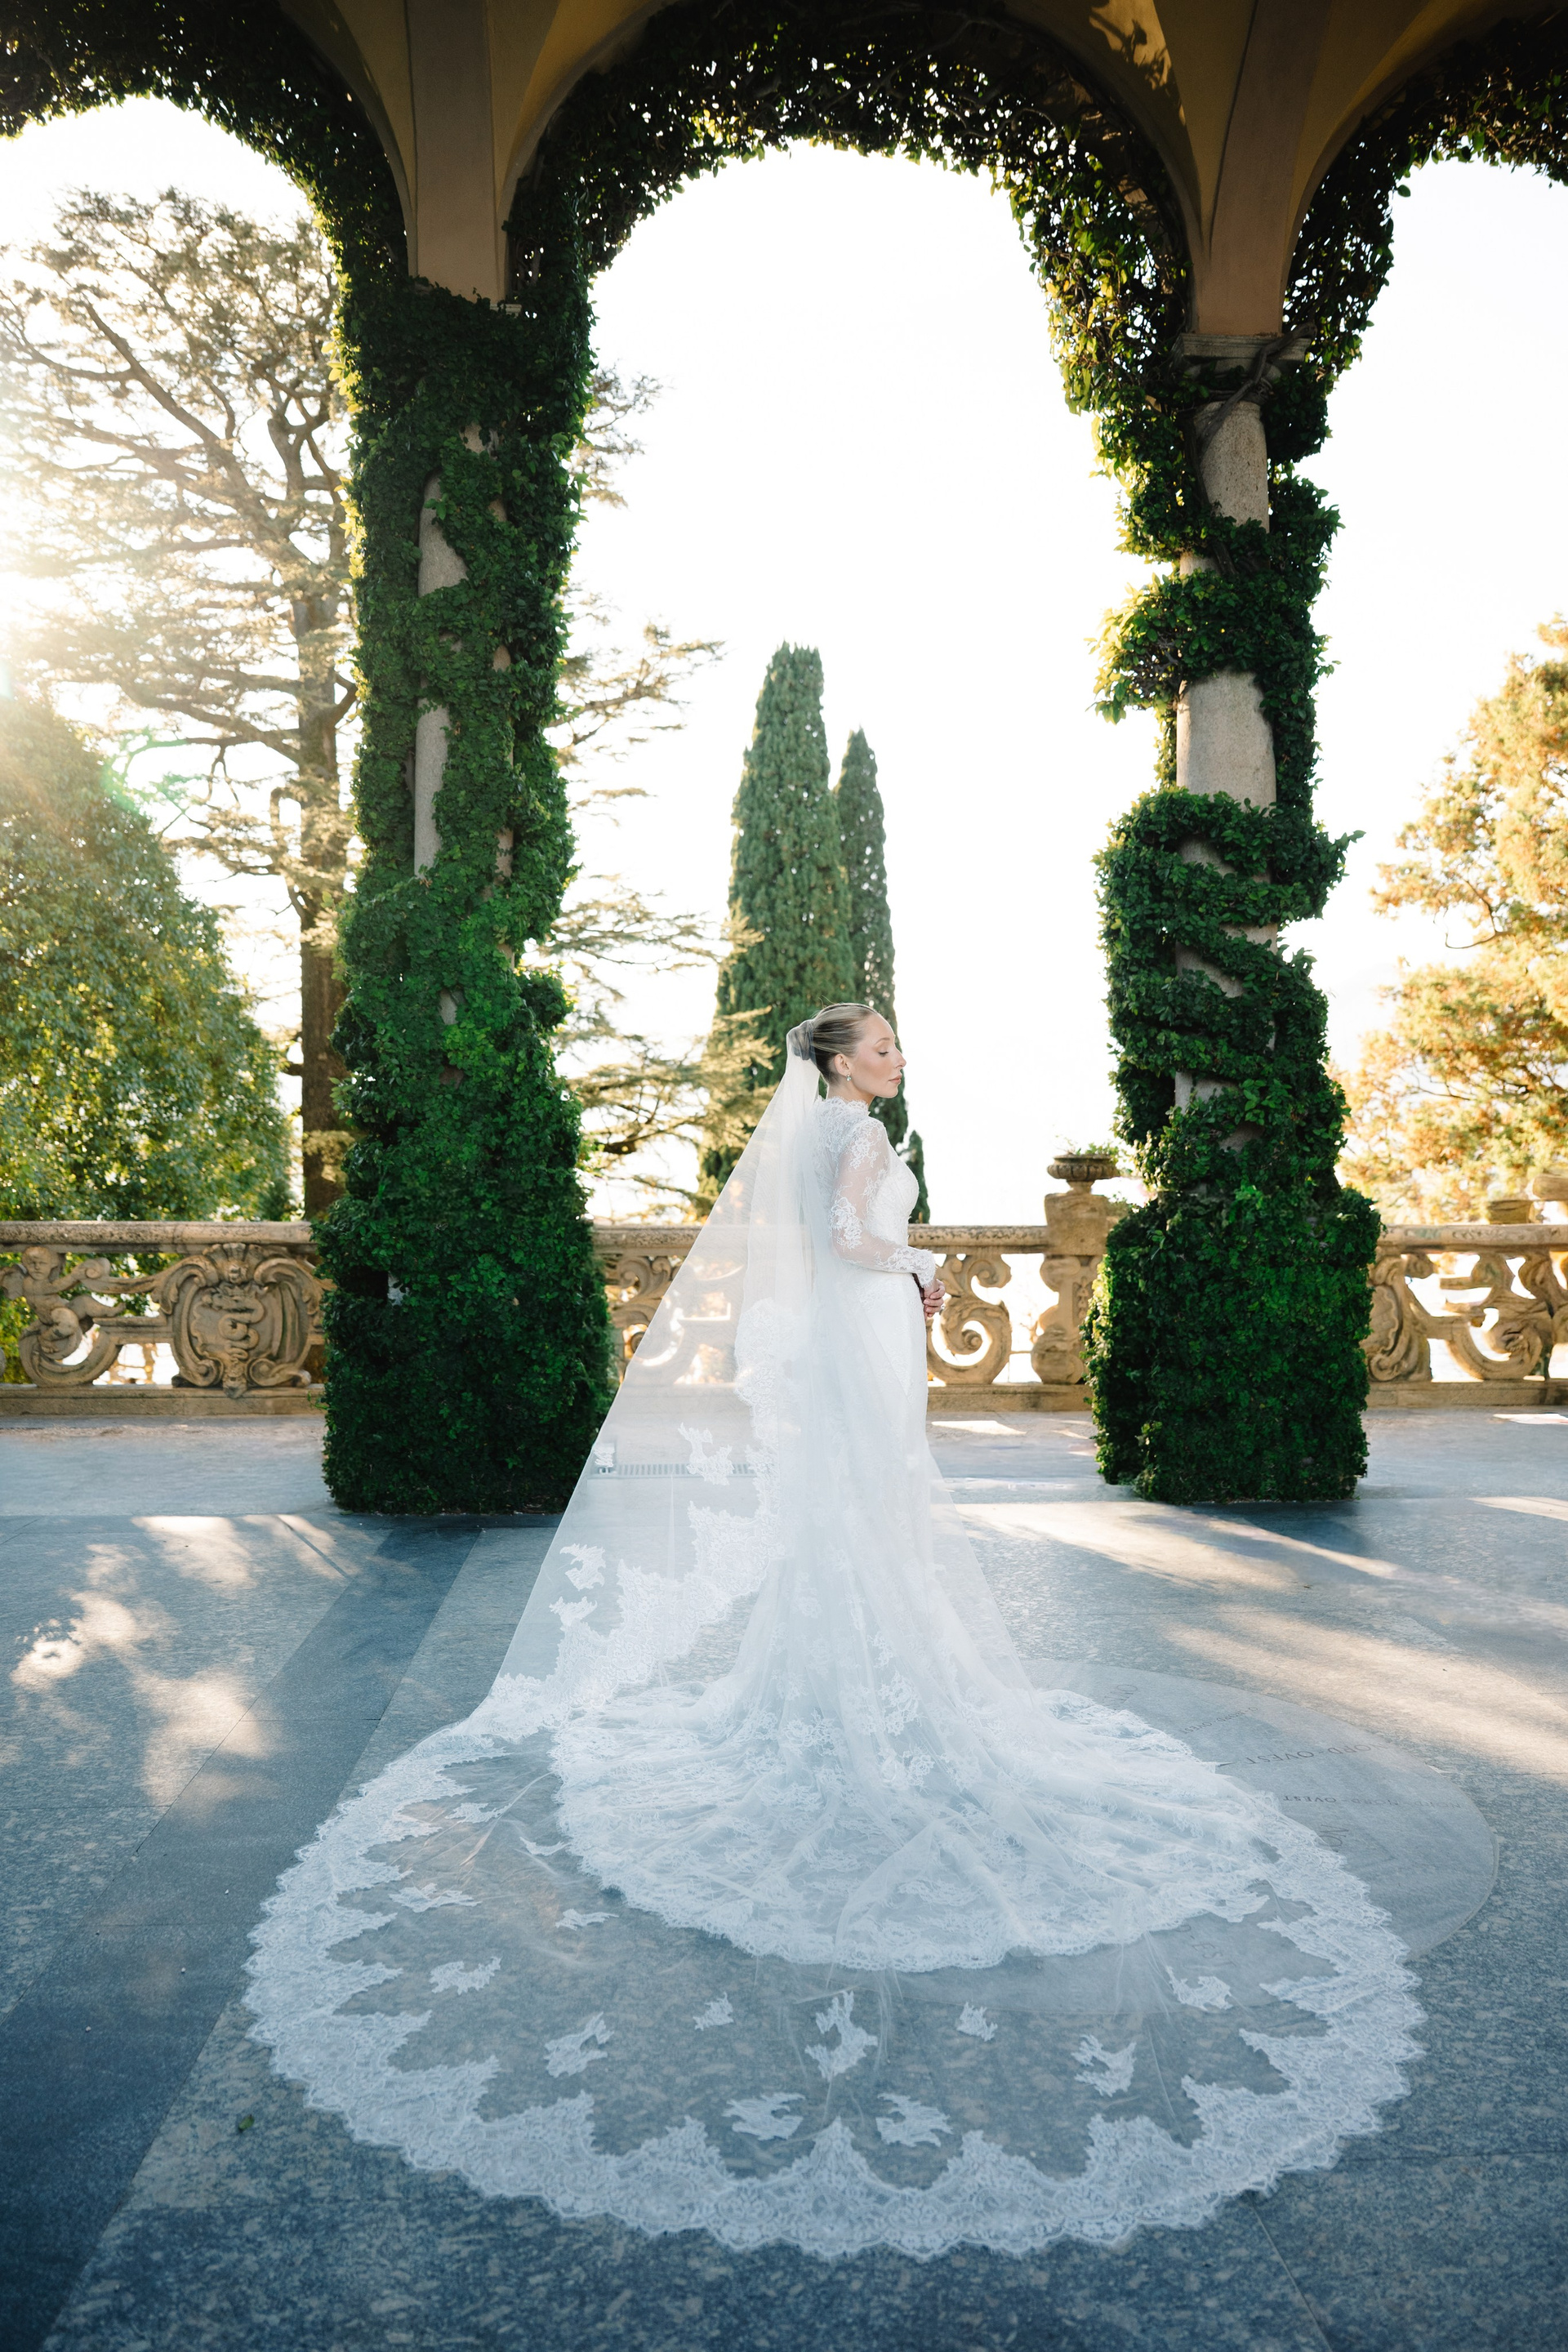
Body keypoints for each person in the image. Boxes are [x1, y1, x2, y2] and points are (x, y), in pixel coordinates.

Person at [247, 1002, 1423, 2259]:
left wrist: (895, 1270)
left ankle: (823, 1683)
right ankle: (868, 1690)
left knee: (856, 1518)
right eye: (881, 1048)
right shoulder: (854, 1136)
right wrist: (921, 1268)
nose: (896, 1058)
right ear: (839, 1062)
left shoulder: (813, 1133)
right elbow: (855, 1242)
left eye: (896, 1046)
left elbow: (813, 1246)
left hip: (841, 1339)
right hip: (862, 1330)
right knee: (876, 1512)